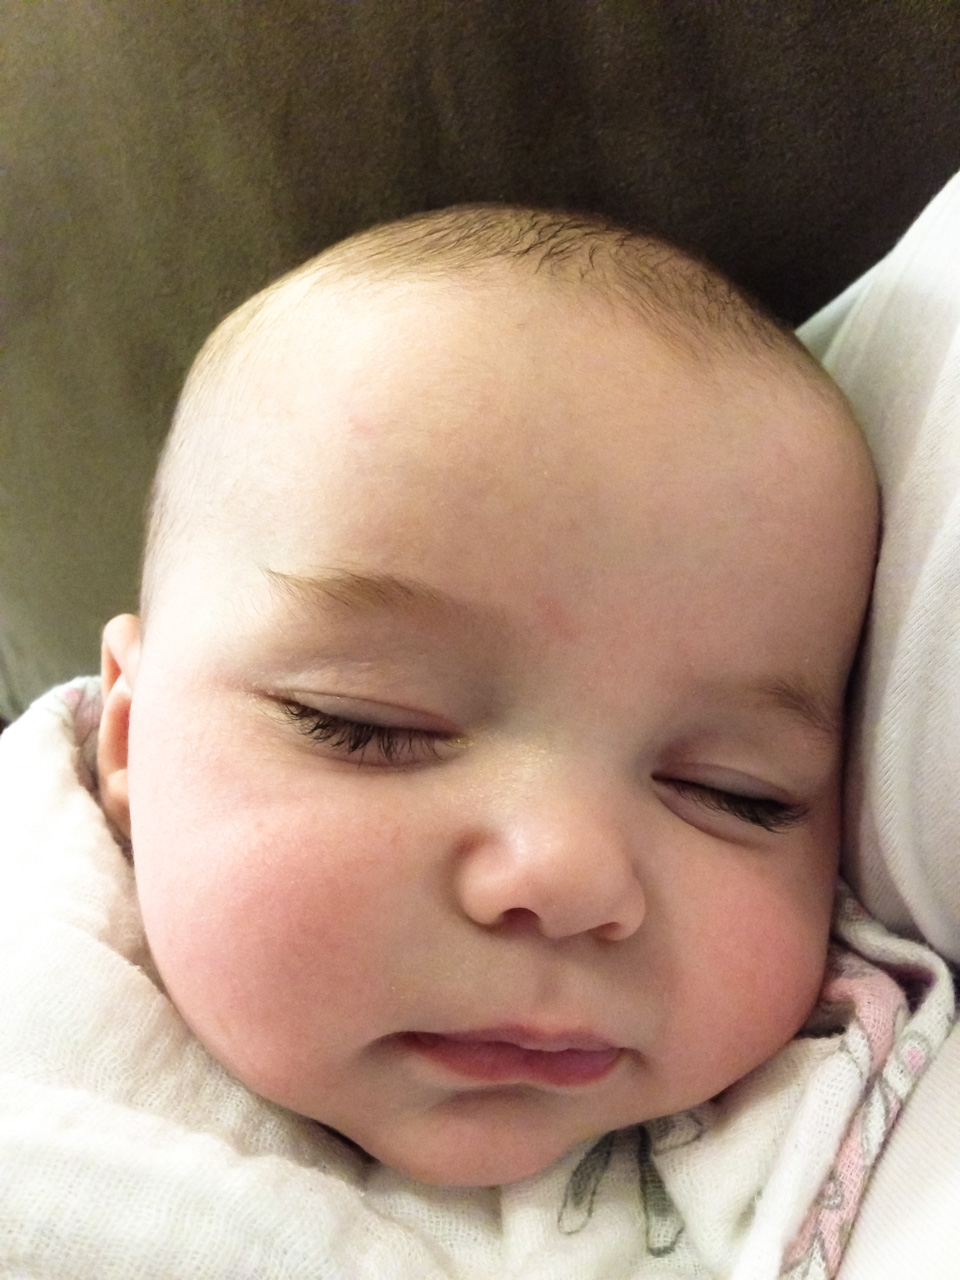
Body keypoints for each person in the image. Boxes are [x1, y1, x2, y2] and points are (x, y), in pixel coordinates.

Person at [1, 206, 952, 1278]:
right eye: (371, 726)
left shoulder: (855, 1134)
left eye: (732, 791)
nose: (571, 876)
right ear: (130, 736)